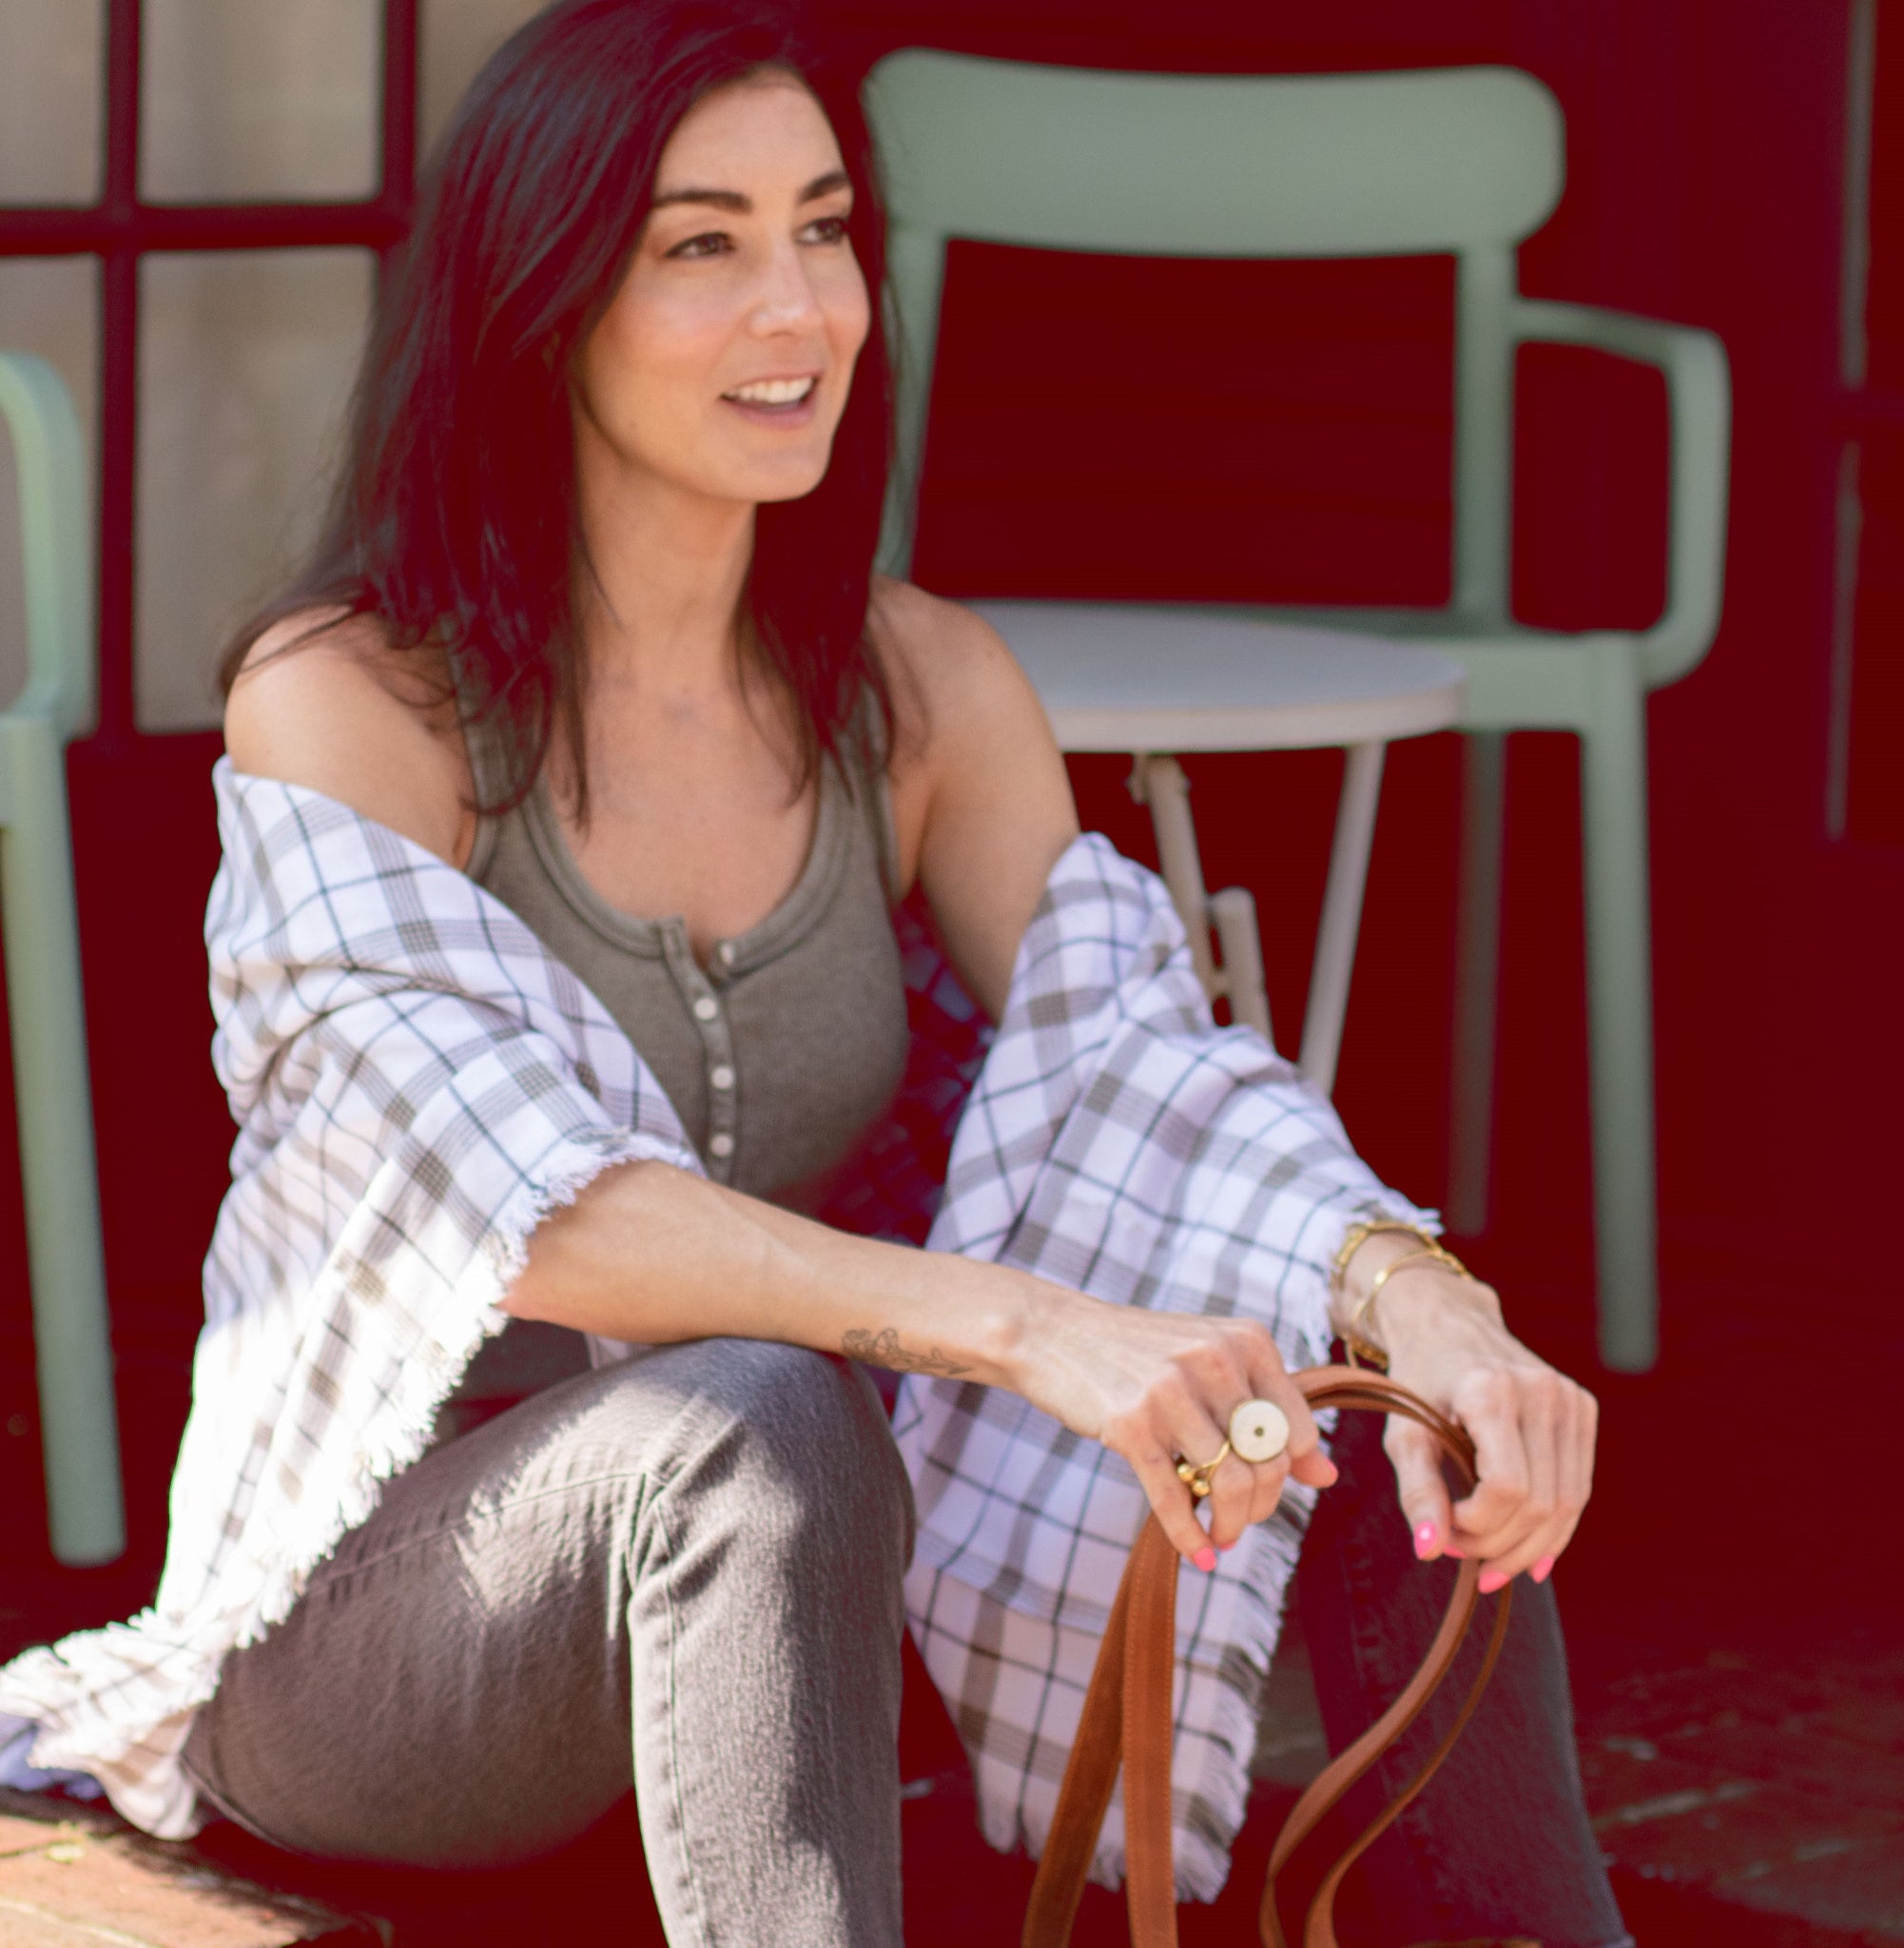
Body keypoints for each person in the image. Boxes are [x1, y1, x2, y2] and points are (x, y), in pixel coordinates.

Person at [82, 4, 1625, 1942]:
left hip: (792, 1620)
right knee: (766, 1408)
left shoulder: (921, 692)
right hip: (388, 1646)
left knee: (1407, 1426)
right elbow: (522, 1214)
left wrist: (1428, 1306)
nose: (799, 307)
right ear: (544, 300)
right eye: (704, 245)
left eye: (822, 232)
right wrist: (1018, 1326)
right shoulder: (349, 702)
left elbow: (1151, 1068)